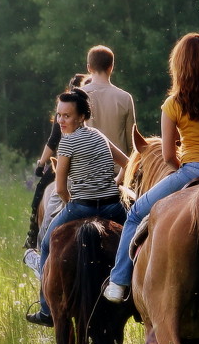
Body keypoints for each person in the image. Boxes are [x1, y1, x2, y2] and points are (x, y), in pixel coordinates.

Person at [103, 33, 199, 303]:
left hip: (191, 171)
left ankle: (119, 281)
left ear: (178, 67)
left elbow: (169, 155)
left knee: (136, 213)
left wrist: (184, 167)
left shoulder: (173, 105)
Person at [29, 87, 130, 326]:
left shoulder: (67, 144)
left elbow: (61, 188)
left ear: (81, 116)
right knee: (137, 243)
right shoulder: (99, 136)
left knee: (45, 245)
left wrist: (70, 204)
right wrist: (114, 183)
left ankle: (46, 309)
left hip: (82, 207)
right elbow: (128, 162)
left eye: (67, 116)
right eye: (59, 115)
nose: (61, 121)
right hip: (113, 207)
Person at [23, 74, 87, 252]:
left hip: (67, 163)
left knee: (40, 190)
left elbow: (53, 140)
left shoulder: (67, 110)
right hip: (107, 166)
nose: (61, 119)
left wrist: (41, 163)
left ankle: (33, 234)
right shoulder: (93, 127)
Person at [80, 45, 137, 168]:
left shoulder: (78, 96)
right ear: (111, 67)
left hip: (88, 171)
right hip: (118, 171)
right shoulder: (125, 98)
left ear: (89, 68)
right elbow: (132, 142)